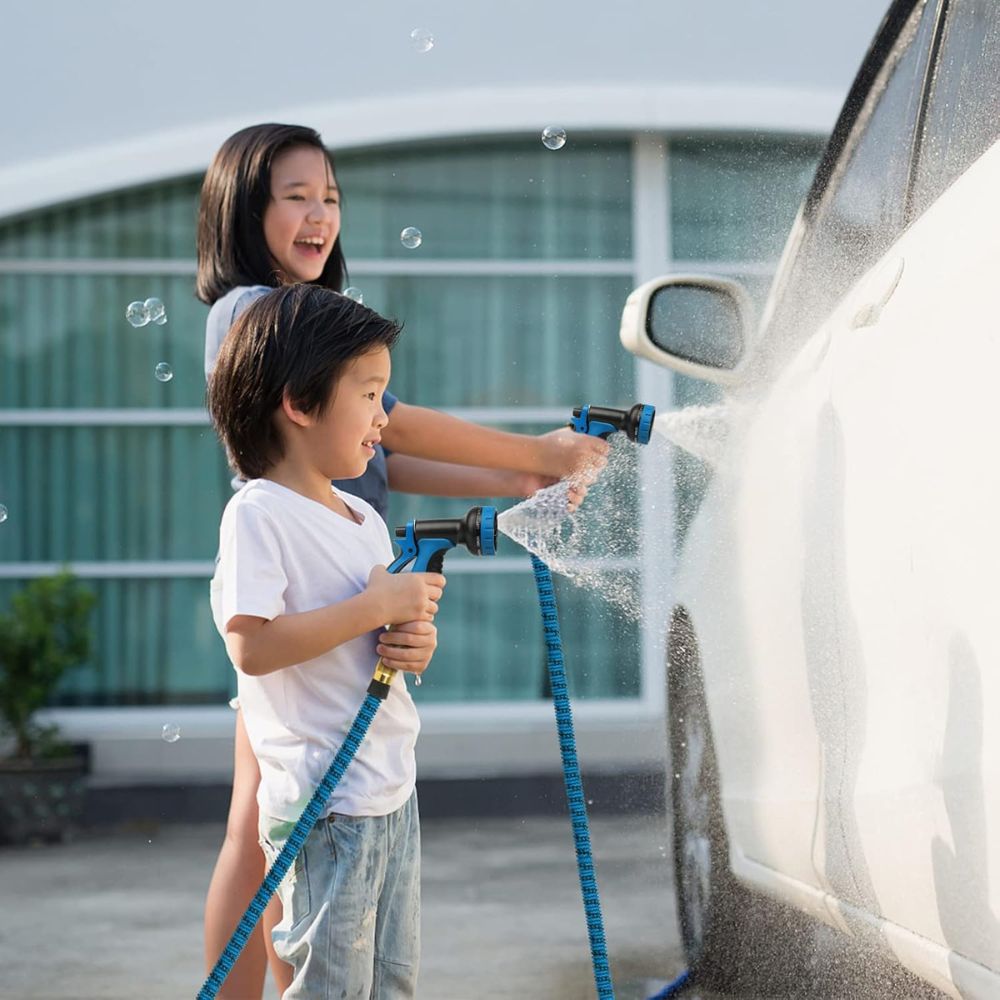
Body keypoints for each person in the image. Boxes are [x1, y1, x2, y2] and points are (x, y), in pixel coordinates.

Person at [197, 122, 608, 998]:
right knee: (267, 835)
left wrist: (517, 476)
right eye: (296, 196)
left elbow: (391, 454)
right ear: (244, 209)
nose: (319, 215)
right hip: (309, 600)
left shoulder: (327, 376)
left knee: (276, 834)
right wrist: (535, 452)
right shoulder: (258, 317)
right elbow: (406, 426)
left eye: (332, 197)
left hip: (349, 589)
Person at [208, 282, 443, 998]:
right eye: (369, 396)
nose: (382, 419)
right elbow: (250, 646)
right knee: (332, 988)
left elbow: (374, 642)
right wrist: (374, 605)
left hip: (389, 794)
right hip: (325, 808)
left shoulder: (362, 521)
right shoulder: (259, 514)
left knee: (390, 984)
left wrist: (412, 641)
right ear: (300, 403)